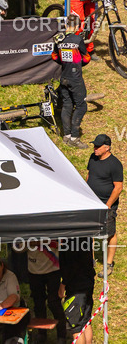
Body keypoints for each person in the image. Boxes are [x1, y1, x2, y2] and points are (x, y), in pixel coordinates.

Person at [88, 133, 122, 272]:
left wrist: (107, 205)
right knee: (90, 232)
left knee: (110, 233)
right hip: (91, 202)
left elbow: (118, 187)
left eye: (98, 146)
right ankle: (90, 261)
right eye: (94, 145)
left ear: (107, 148)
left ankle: (108, 264)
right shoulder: (92, 158)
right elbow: (89, 175)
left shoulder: (115, 164)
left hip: (106, 204)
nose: (95, 148)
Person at [26, 241, 66, 343]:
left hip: (53, 268)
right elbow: (17, 246)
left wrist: (38, 242)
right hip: (34, 270)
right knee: (38, 303)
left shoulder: (50, 224)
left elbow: (60, 243)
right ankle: (41, 333)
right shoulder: (25, 225)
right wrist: (33, 242)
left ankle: (62, 335)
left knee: (54, 302)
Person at [59, 241, 96, 344]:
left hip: (76, 286)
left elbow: (72, 265)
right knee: (85, 322)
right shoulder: (83, 230)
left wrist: (63, 284)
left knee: (75, 328)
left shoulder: (70, 238)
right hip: (87, 282)